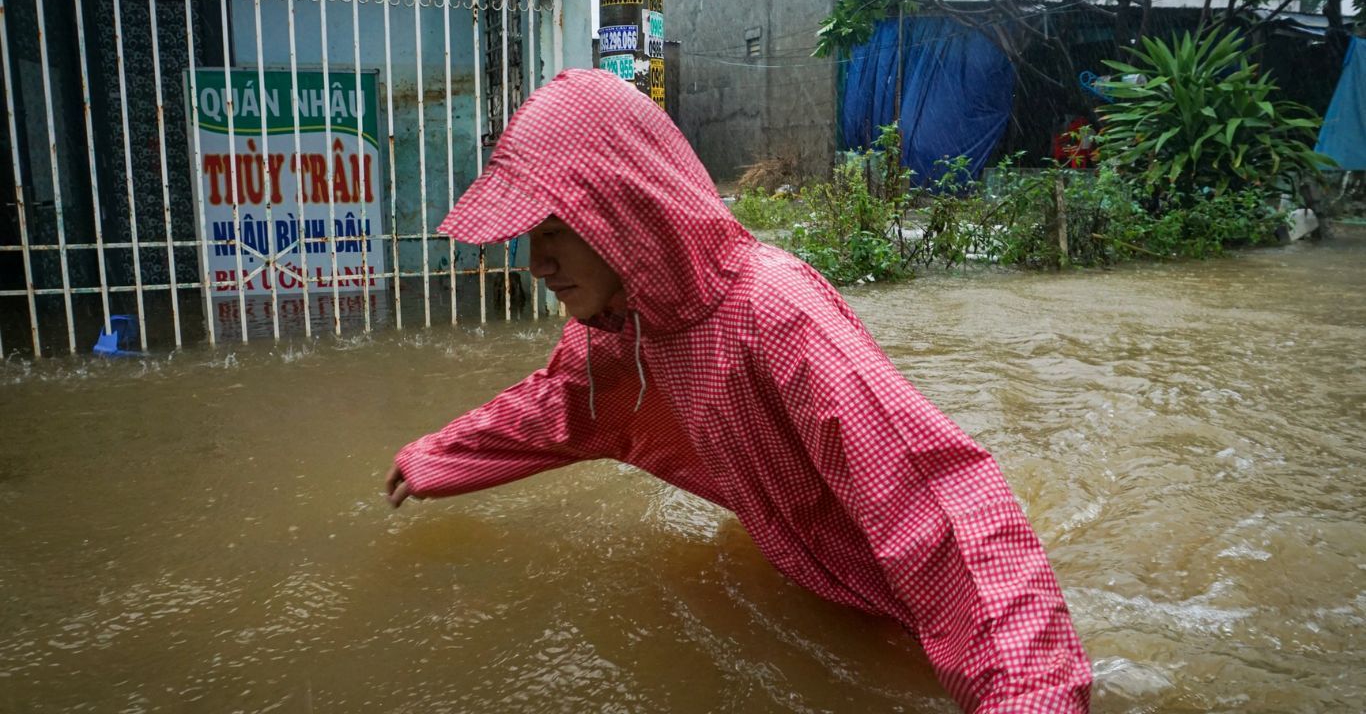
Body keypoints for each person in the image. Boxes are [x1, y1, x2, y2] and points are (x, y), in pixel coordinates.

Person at [385, 68, 1092, 713]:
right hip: (814, 585)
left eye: (555, 228)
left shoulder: (772, 311)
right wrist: (434, 456)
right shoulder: (621, 331)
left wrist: (1028, 689)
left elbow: (937, 501)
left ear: (623, 211)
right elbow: (554, 407)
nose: (535, 262)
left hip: (905, 603)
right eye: (528, 235)